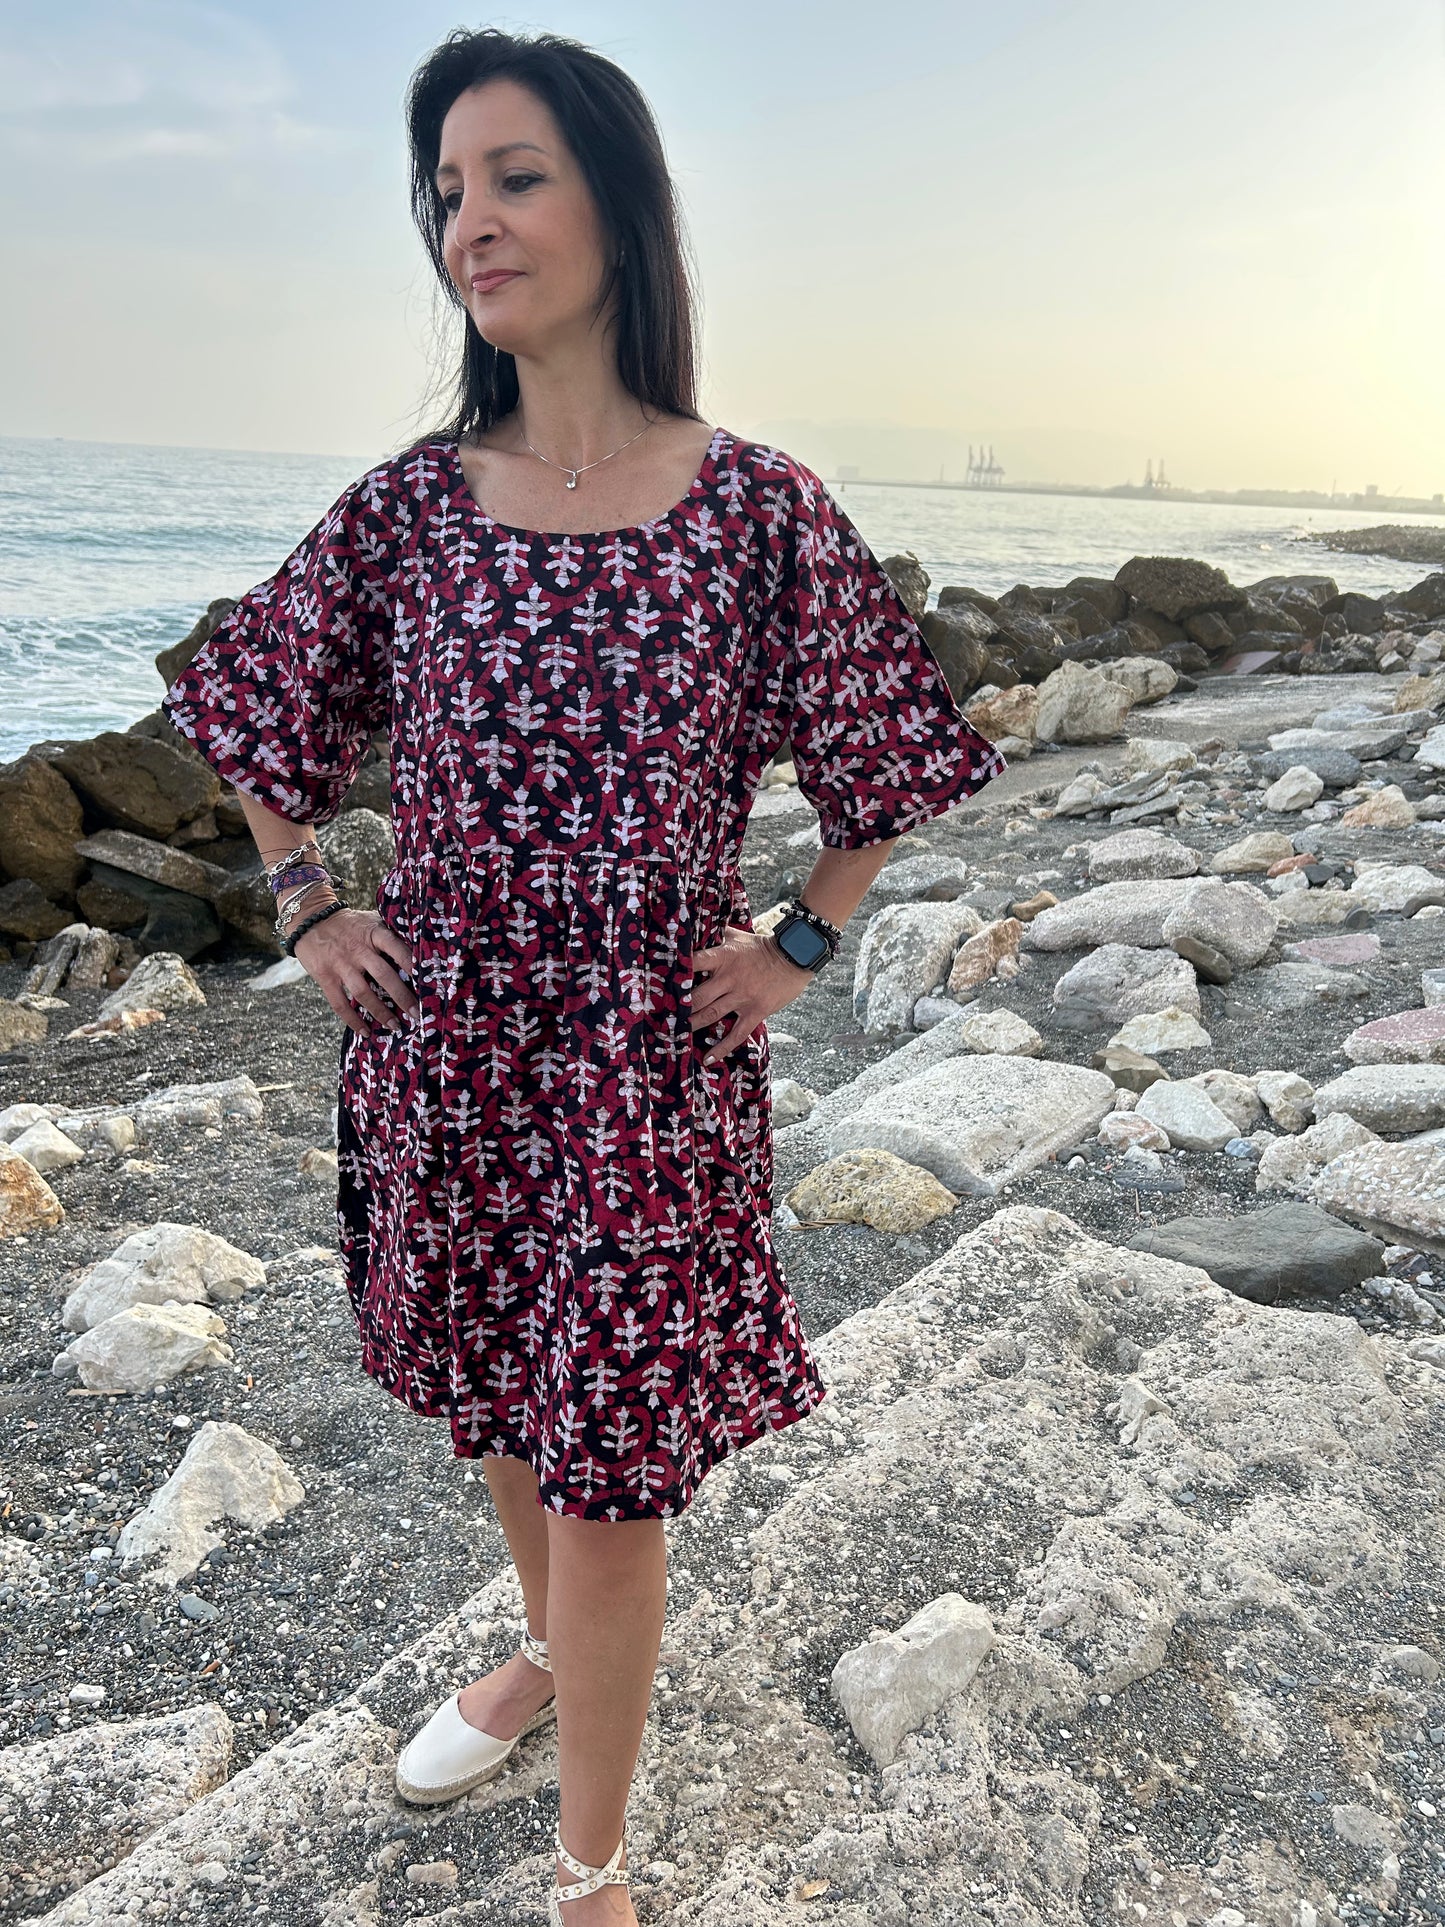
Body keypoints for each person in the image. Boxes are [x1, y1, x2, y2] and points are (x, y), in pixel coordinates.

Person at [160, 26, 1005, 1924]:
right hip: (447, 1054)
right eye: (446, 188)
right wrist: (306, 902)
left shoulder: (753, 510)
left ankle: (590, 1876)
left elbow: (889, 751)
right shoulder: (411, 510)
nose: (469, 220)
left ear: (621, 205)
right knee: (503, 1404)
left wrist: (798, 939)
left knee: (615, 1463)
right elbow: (245, 699)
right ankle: (542, 1651)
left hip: (644, 1068)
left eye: (514, 175)